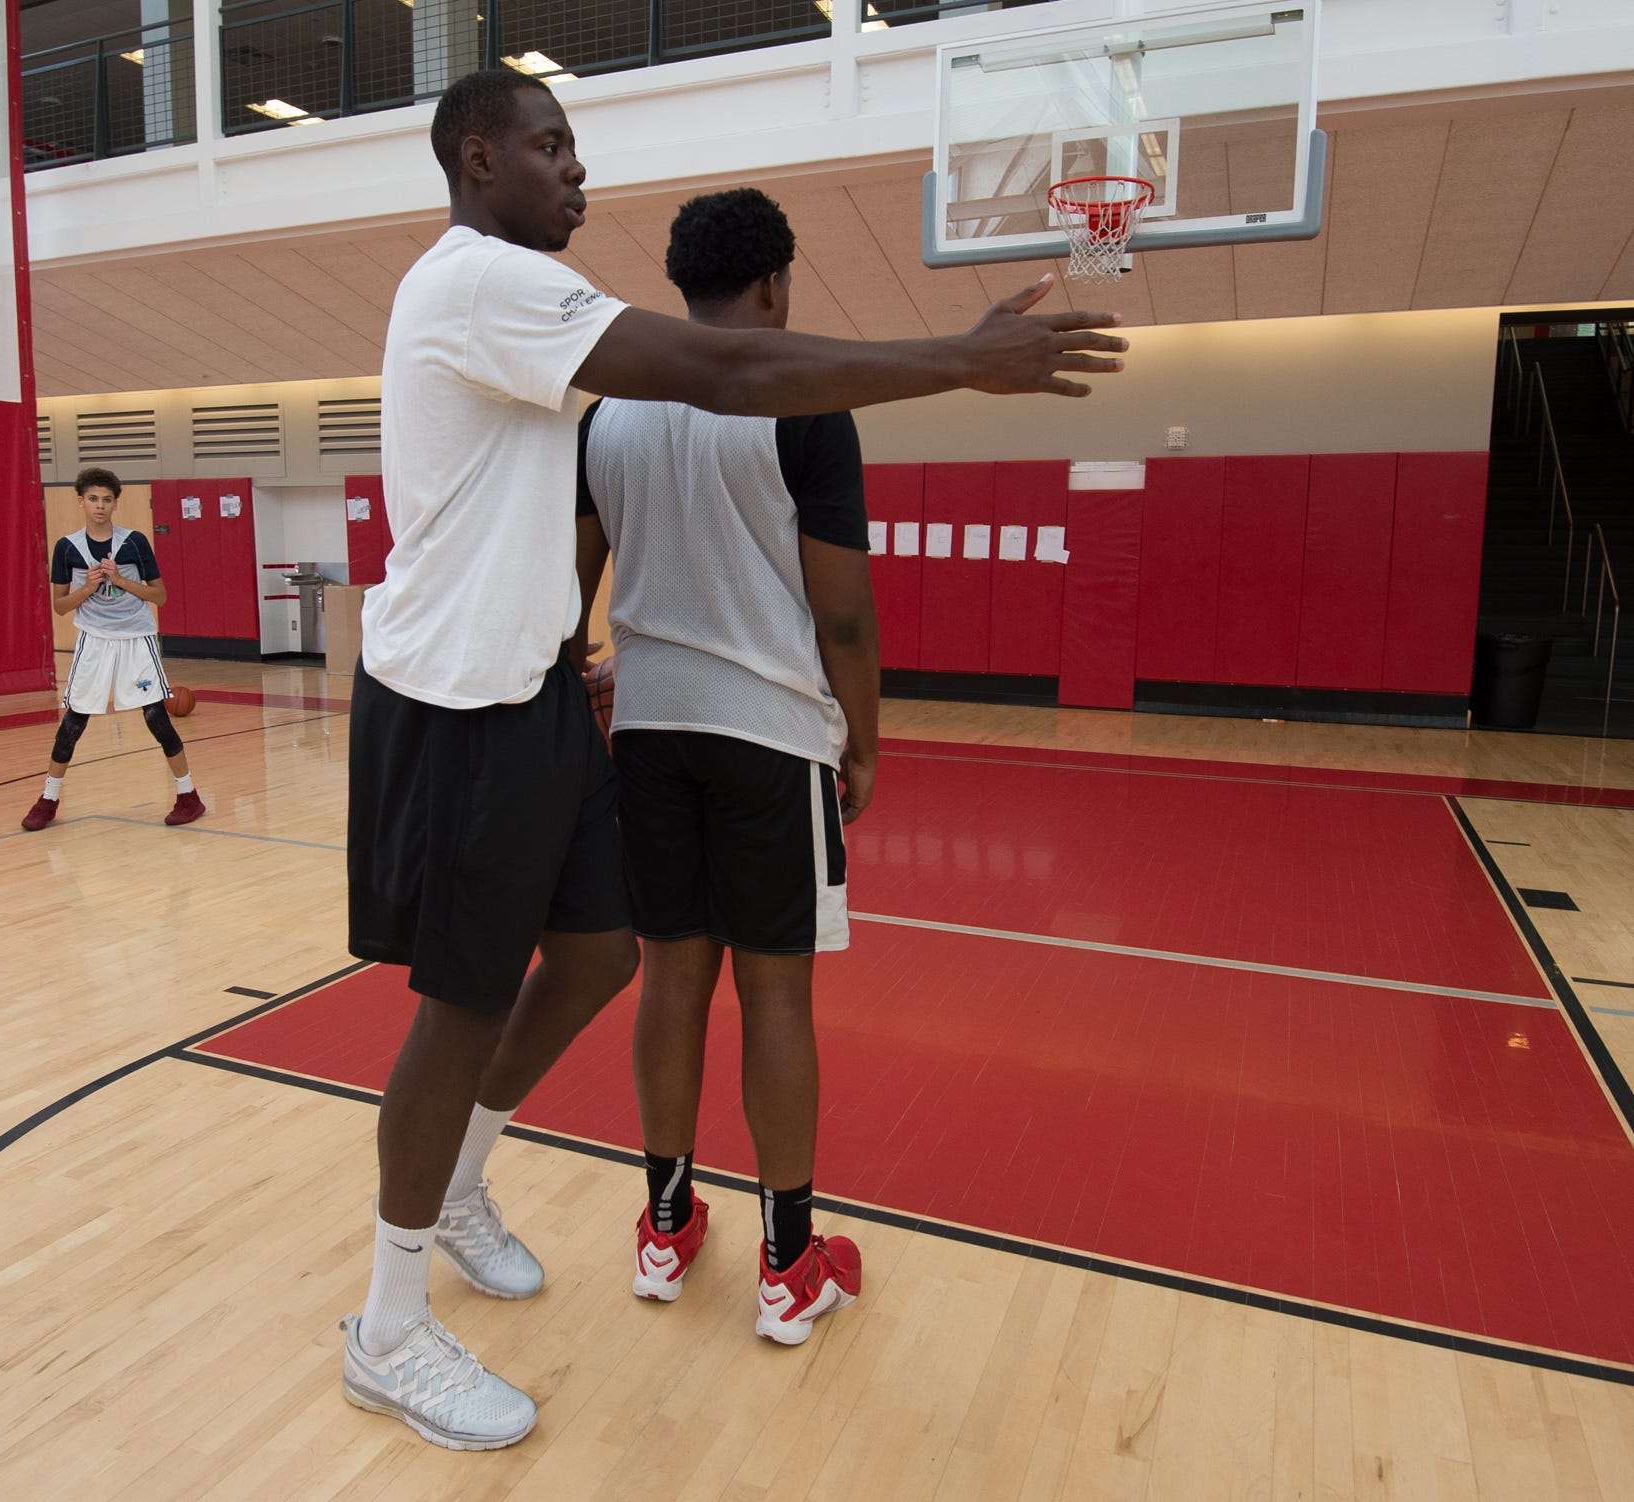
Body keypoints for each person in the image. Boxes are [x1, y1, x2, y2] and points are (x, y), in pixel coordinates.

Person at [341, 67, 1126, 1453]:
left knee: (599, 950)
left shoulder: (538, 331)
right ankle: (388, 1330)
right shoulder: (476, 281)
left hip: (549, 700)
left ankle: (470, 1184)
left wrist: (575, 638)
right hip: (457, 704)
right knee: (459, 1006)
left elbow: (583, 510)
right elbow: (723, 370)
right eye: (550, 145)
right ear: (477, 157)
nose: (575, 171)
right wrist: (953, 357)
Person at [571, 186, 877, 1346]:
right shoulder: (806, 399)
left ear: (684, 282)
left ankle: (662, 1225)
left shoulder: (611, 411)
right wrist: (869, 738)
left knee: (671, 980)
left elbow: (571, 586)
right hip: (771, 737)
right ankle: (791, 1260)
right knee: (777, 993)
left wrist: (594, 677)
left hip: (649, 734)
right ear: (776, 285)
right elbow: (843, 616)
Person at [19, 467, 204, 832]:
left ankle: (188, 796)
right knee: (74, 720)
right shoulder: (68, 547)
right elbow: (60, 606)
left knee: (156, 718)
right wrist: (89, 587)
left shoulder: (134, 542)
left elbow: (160, 596)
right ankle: (48, 798)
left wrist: (120, 580)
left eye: (106, 500)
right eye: (92, 499)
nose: (99, 506)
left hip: (136, 638)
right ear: (81, 502)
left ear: (116, 504)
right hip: (94, 639)